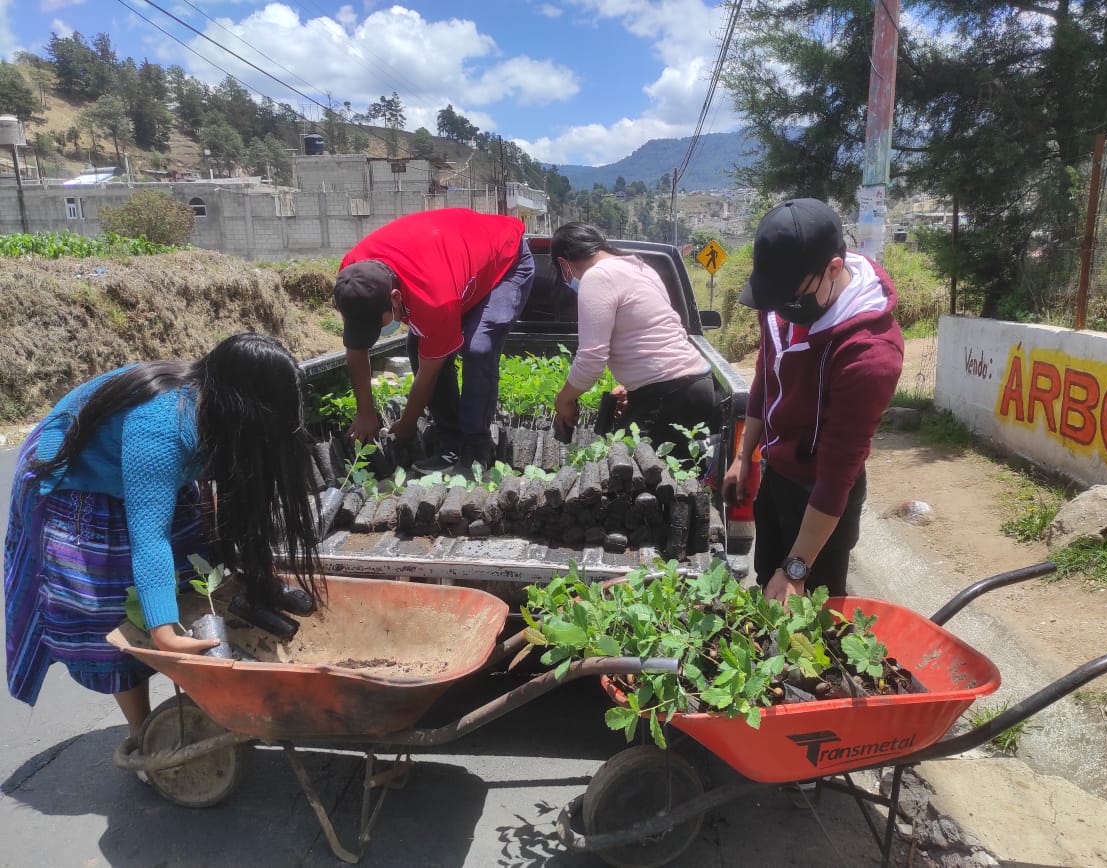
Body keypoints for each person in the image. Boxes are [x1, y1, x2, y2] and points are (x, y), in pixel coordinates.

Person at [4, 333, 323, 746]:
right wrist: (162, 631)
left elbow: (238, 501)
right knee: (112, 603)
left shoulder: (217, 415)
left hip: (138, 472)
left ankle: (206, 700)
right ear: (243, 408)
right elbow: (149, 537)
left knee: (192, 565)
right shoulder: (163, 428)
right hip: (74, 474)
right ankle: (143, 734)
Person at [721, 198, 903, 604]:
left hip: (823, 494)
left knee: (816, 617)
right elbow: (766, 376)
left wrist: (798, 567)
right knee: (766, 583)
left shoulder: (869, 356)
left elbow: (838, 473)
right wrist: (743, 454)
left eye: (789, 297)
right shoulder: (783, 302)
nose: (781, 309)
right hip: (777, 475)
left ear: (833, 270)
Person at [333, 209, 536, 471]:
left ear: (396, 297)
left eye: (378, 323)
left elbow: (428, 375)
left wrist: (406, 425)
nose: (375, 330)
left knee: (478, 347)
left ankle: (475, 447)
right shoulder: (351, 275)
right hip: (454, 263)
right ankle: (449, 441)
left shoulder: (434, 298)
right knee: (418, 345)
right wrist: (365, 412)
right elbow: (356, 349)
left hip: (505, 260)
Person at [550, 222, 713, 457]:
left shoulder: (597, 276)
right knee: (679, 484)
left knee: (640, 484)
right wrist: (633, 385)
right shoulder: (640, 268)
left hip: (668, 395)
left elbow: (591, 360)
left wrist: (564, 400)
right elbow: (654, 331)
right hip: (697, 385)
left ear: (564, 263)